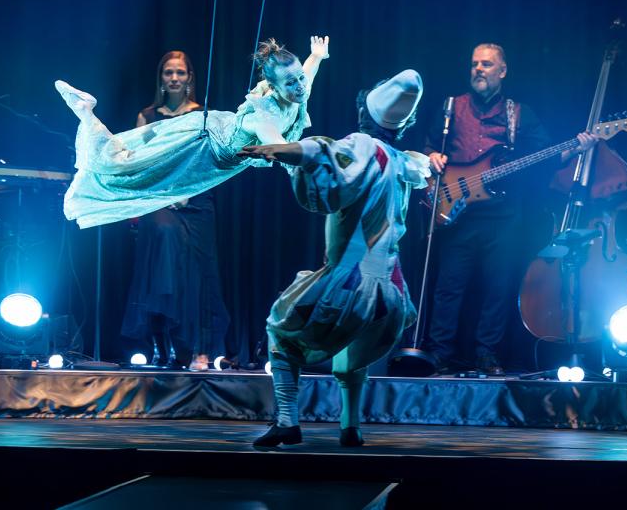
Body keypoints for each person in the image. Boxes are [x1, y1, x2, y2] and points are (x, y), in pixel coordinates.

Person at [238, 69, 431, 448]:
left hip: (350, 283)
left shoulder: (362, 146)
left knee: (280, 327)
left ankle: (287, 421)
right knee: (351, 350)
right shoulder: (400, 161)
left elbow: (319, 151)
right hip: (390, 295)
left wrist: (276, 148)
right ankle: (350, 427)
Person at [420, 44, 597, 375]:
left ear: (502, 71)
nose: (478, 69)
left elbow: (545, 156)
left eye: (486, 64)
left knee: (498, 287)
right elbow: (430, 145)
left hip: (502, 215)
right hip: (456, 209)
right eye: (474, 63)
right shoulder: (450, 106)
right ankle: (439, 352)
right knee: (448, 287)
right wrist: (431, 156)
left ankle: (487, 353)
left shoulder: (519, 113)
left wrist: (577, 148)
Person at [55, 36, 329, 228]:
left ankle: (87, 114)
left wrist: (317, 55)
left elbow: (309, 72)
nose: (300, 86)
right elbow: (281, 149)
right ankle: (86, 111)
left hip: (215, 138)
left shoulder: (297, 89)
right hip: (200, 146)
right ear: (273, 85)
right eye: (290, 82)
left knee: (140, 169)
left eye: (299, 79)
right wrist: (311, 165)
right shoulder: (265, 116)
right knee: (131, 166)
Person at [121, 51, 230, 370]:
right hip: (158, 200)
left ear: (189, 78)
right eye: (168, 72)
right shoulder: (147, 116)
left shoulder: (201, 115)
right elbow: (138, 164)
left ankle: (199, 350)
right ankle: (162, 344)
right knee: (163, 251)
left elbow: (207, 162)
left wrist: (184, 194)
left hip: (195, 200)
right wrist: (161, 195)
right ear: (161, 78)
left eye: (180, 72)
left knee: (198, 275)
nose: (174, 78)